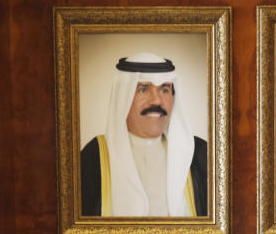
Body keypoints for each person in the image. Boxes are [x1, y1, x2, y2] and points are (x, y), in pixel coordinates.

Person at [80, 52, 208, 217]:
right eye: (143, 89)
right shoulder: (94, 156)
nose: (156, 101)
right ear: (123, 97)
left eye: (164, 90)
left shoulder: (199, 154)